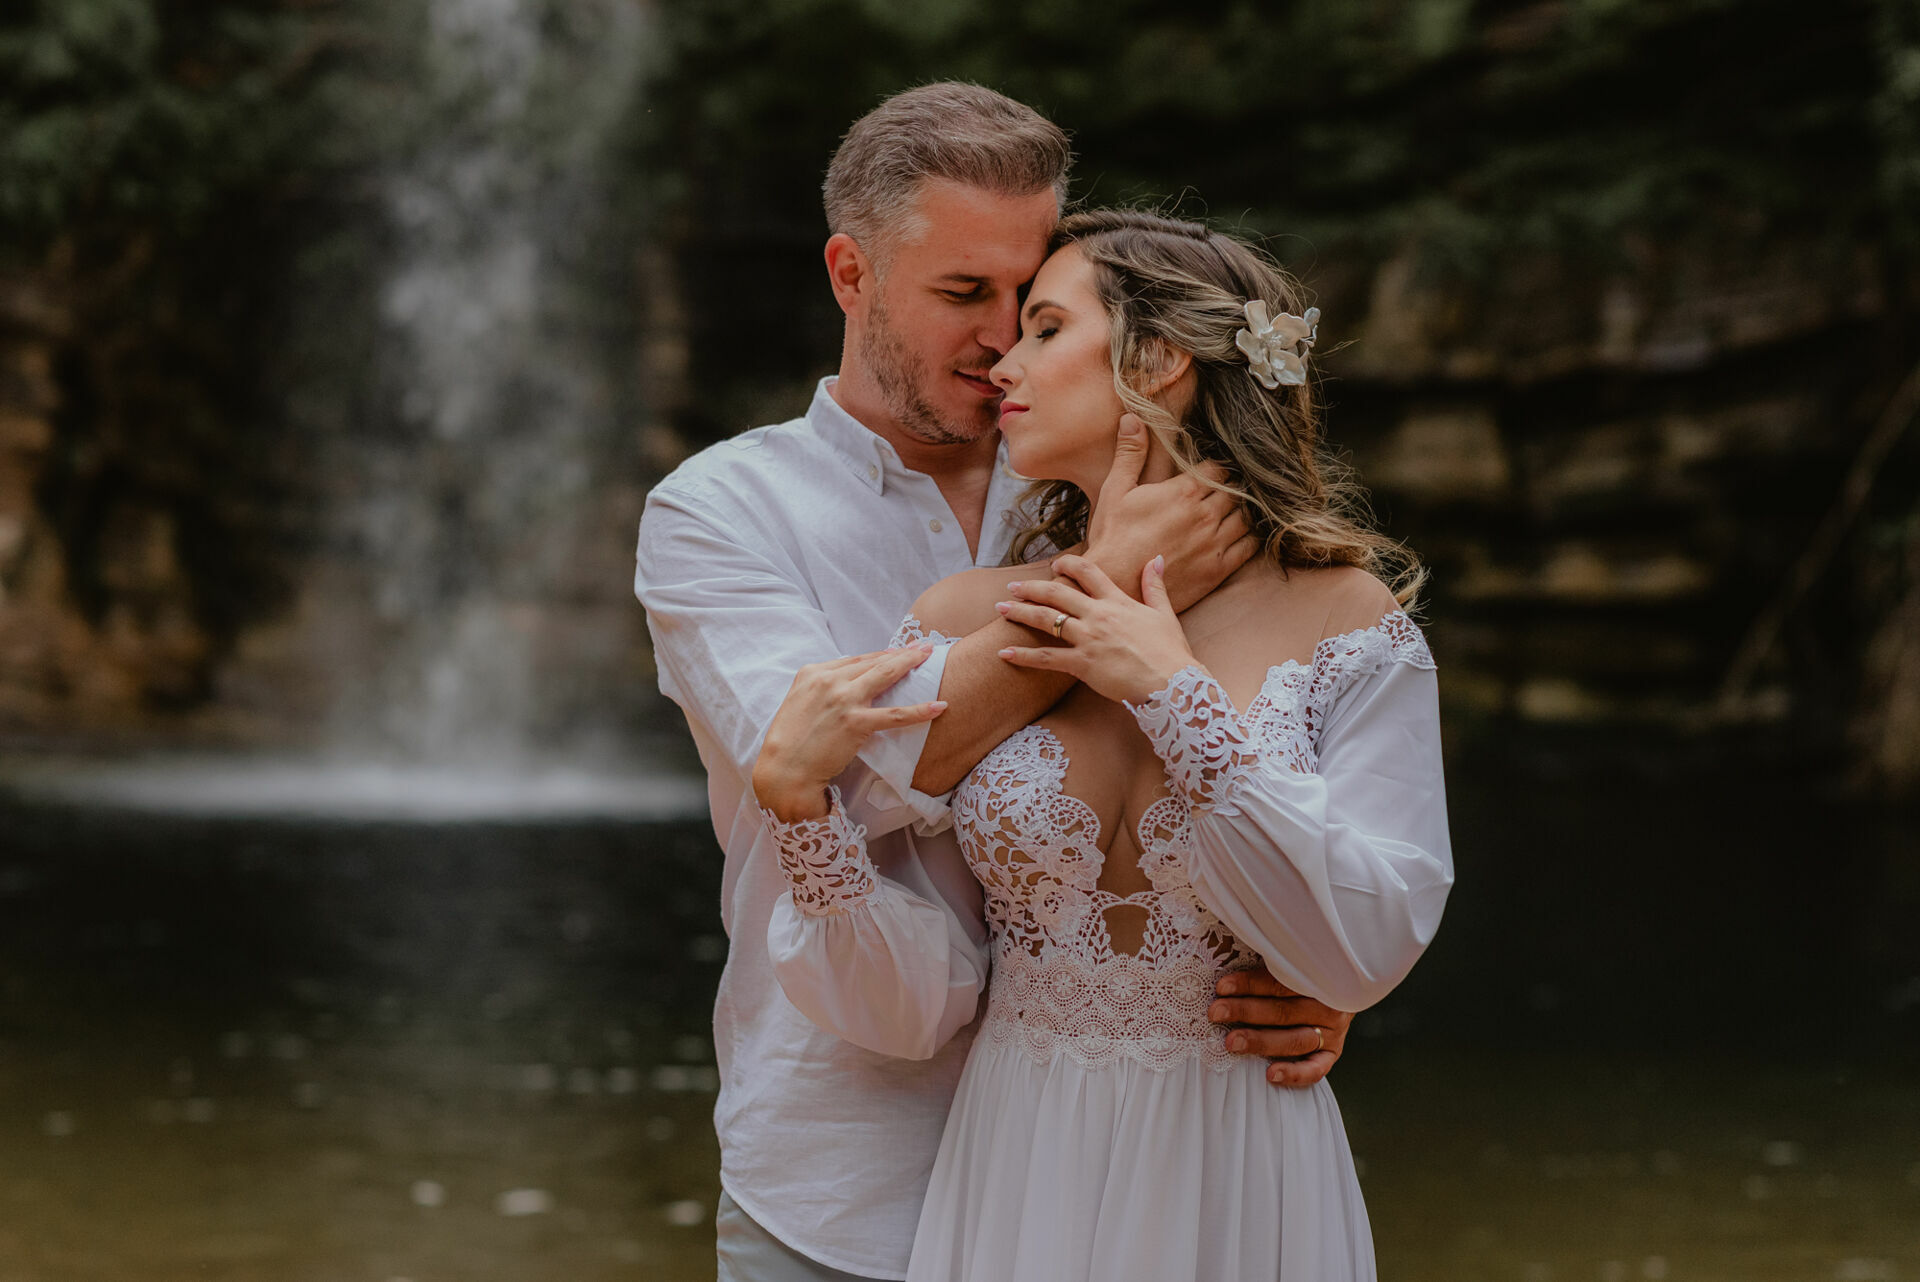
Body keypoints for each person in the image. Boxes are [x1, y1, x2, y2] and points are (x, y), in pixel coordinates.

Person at [633, 85, 1357, 1282]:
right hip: (850, 1169)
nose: (1003, 337)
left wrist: (1324, 970)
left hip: (1139, 1170)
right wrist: (1102, 578)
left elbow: (1291, 757)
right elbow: (847, 776)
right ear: (849, 275)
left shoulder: (1106, 474)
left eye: (1032, 299)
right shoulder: (718, 513)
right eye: (963, 294)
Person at [750, 209, 1453, 1280]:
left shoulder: (1349, 619)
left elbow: (1362, 941)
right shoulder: (962, 617)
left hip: (1236, 1151)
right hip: (1020, 1148)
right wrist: (802, 817)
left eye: (1041, 328)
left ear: (1159, 359)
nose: (1002, 361)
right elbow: (912, 959)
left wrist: (1170, 691)